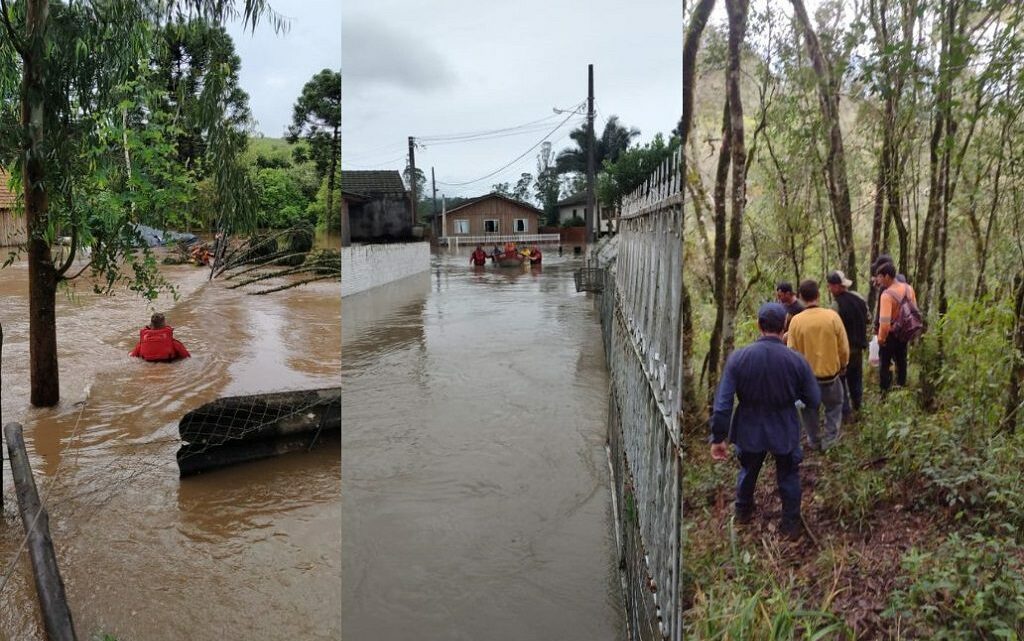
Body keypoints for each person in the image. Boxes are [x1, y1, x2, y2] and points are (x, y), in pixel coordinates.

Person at [710, 302, 820, 540]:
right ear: (784, 326)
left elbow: (723, 404)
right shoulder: (797, 361)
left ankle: (742, 512)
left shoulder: (739, 358)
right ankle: (790, 523)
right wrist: (794, 396)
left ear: (759, 326)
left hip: (750, 427)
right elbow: (813, 398)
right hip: (784, 427)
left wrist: (719, 438)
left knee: (749, 469)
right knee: (788, 475)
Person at [787, 280, 849, 451]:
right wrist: (843, 364)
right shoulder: (832, 317)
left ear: (800, 298)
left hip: (807, 379)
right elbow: (843, 347)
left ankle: (814, 440)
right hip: (831, 376)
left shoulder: (796, 322)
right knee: (834, 407)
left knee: (809, 411)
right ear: (818, 295)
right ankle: (830, 442)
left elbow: (791, 352)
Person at [827, 270, 869, 419]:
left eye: (831, 286)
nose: (830, 289)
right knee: (856, 378)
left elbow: (831, 330)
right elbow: (868, 318)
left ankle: (846, 414)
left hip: (843, 351)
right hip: (859, 348)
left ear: (836, 286)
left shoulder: (835, 306)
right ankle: (858, 407)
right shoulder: (859, 298)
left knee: (841, 382)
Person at [875, 262, 917, 393]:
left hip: (891, 335)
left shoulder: (886, 295)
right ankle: (901, 390)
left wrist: (881, 339)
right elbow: (914, 310)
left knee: (885, 365)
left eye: (880, 277)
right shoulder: (909, 288)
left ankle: (884, 394)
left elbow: (885, 323)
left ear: (887, 276)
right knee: (902, 361)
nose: (878, 280)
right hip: (904, 333)